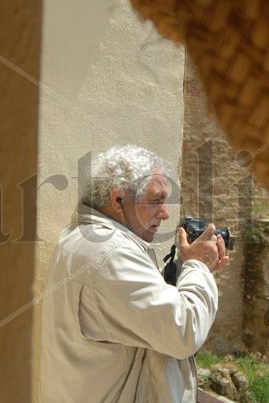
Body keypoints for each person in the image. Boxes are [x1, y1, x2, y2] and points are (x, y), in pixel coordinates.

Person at [40, 145, 228, 402]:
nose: (165, 213)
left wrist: (181, 268)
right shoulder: (111, 252)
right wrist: (199, 267)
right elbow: (184, 331)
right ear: (118, 200)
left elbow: (124, 305)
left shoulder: (82, 238)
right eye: (156, 201)